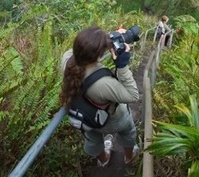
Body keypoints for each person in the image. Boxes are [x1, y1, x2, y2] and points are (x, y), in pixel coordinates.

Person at [60, 26, 141, 167]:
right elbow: (133, 95)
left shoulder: (67, 60)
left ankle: (103, 160)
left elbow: (78, 50)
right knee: (128, 130)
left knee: (93, 138)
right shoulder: (103, 83)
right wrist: (122, 66)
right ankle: (129, 157)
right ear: (98, 55)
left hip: (86, 118)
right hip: (111, 121)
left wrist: (103, 38)